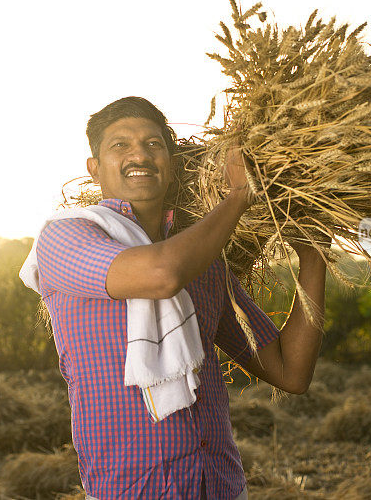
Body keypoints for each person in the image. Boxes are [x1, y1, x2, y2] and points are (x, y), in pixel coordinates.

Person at [31, 96, 327, 500]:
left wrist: (313, 255)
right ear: (94, 169)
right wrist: (239, 196)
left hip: (220, 486)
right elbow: (161, 274)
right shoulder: (66, 237)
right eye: (120, 145)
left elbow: (290, 372)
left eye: (154, 144)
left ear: (171, 165)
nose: (140, 153)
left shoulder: (205, 264)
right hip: (133, 491)